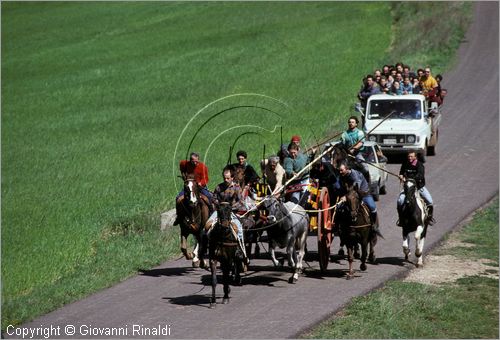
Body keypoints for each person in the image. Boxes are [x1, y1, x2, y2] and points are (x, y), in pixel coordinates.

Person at [205, 167, 249, 264]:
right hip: (219, 212)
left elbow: (241, 201)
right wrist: (219, 205)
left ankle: (241, 251)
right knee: (207, 226)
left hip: (232, 212)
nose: (225, 180)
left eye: (228, 178)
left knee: (239, 228)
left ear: (232, 178)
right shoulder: (218, 187)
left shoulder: (237, 188)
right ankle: (205, 248)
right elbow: (213, 198)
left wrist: (230, 207)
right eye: (224, 178)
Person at [337, 162, 379, 231]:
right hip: (350, 197)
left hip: (363, 195)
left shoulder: (355, 175)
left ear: (347, 169)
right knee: (339, 208)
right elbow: (339, 187)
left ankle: (374, 225)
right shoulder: (341, 176)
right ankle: (339, 226)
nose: (340, 172)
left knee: (372, 207)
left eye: (342, 170)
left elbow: (356, 189)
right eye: (339, 170)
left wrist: (346, 197)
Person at [397, 151, 434, 226]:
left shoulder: (420, 165)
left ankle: (429, 218)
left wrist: (409, 179)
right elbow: (401, 171)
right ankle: (401, 219)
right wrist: (401, 176)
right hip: (408, 188)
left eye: (411, 156)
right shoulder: (405, 163)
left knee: (430, 201)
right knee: (400, 201)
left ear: (415, 157)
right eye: (409, 156)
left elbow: (420, 176)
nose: (410, 158)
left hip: (419, 187)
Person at [174, 152, 212, 225]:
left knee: (209, 197)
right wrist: (183, 173)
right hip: (189, 187)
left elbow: (206, 179)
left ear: (198, 160)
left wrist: (201, 183)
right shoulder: (186, 164)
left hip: (200, 188)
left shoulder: (203, 167)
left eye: (196, 161)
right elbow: (182, 163)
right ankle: (178, 216)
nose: (194, 163)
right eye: (193, 161)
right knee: (178, 198)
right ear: (190, 160)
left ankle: (210, 214)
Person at [340, 116, 370, 182]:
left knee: (366, 169)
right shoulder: (344, 134)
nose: (351, 123)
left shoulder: (360, 133)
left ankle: (367, 185)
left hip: (357, 153)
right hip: (346, 154)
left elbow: (360, 143)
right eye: (349, 122)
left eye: (352, 122)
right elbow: (342, 143)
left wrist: (353, 149)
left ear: (356, 124)